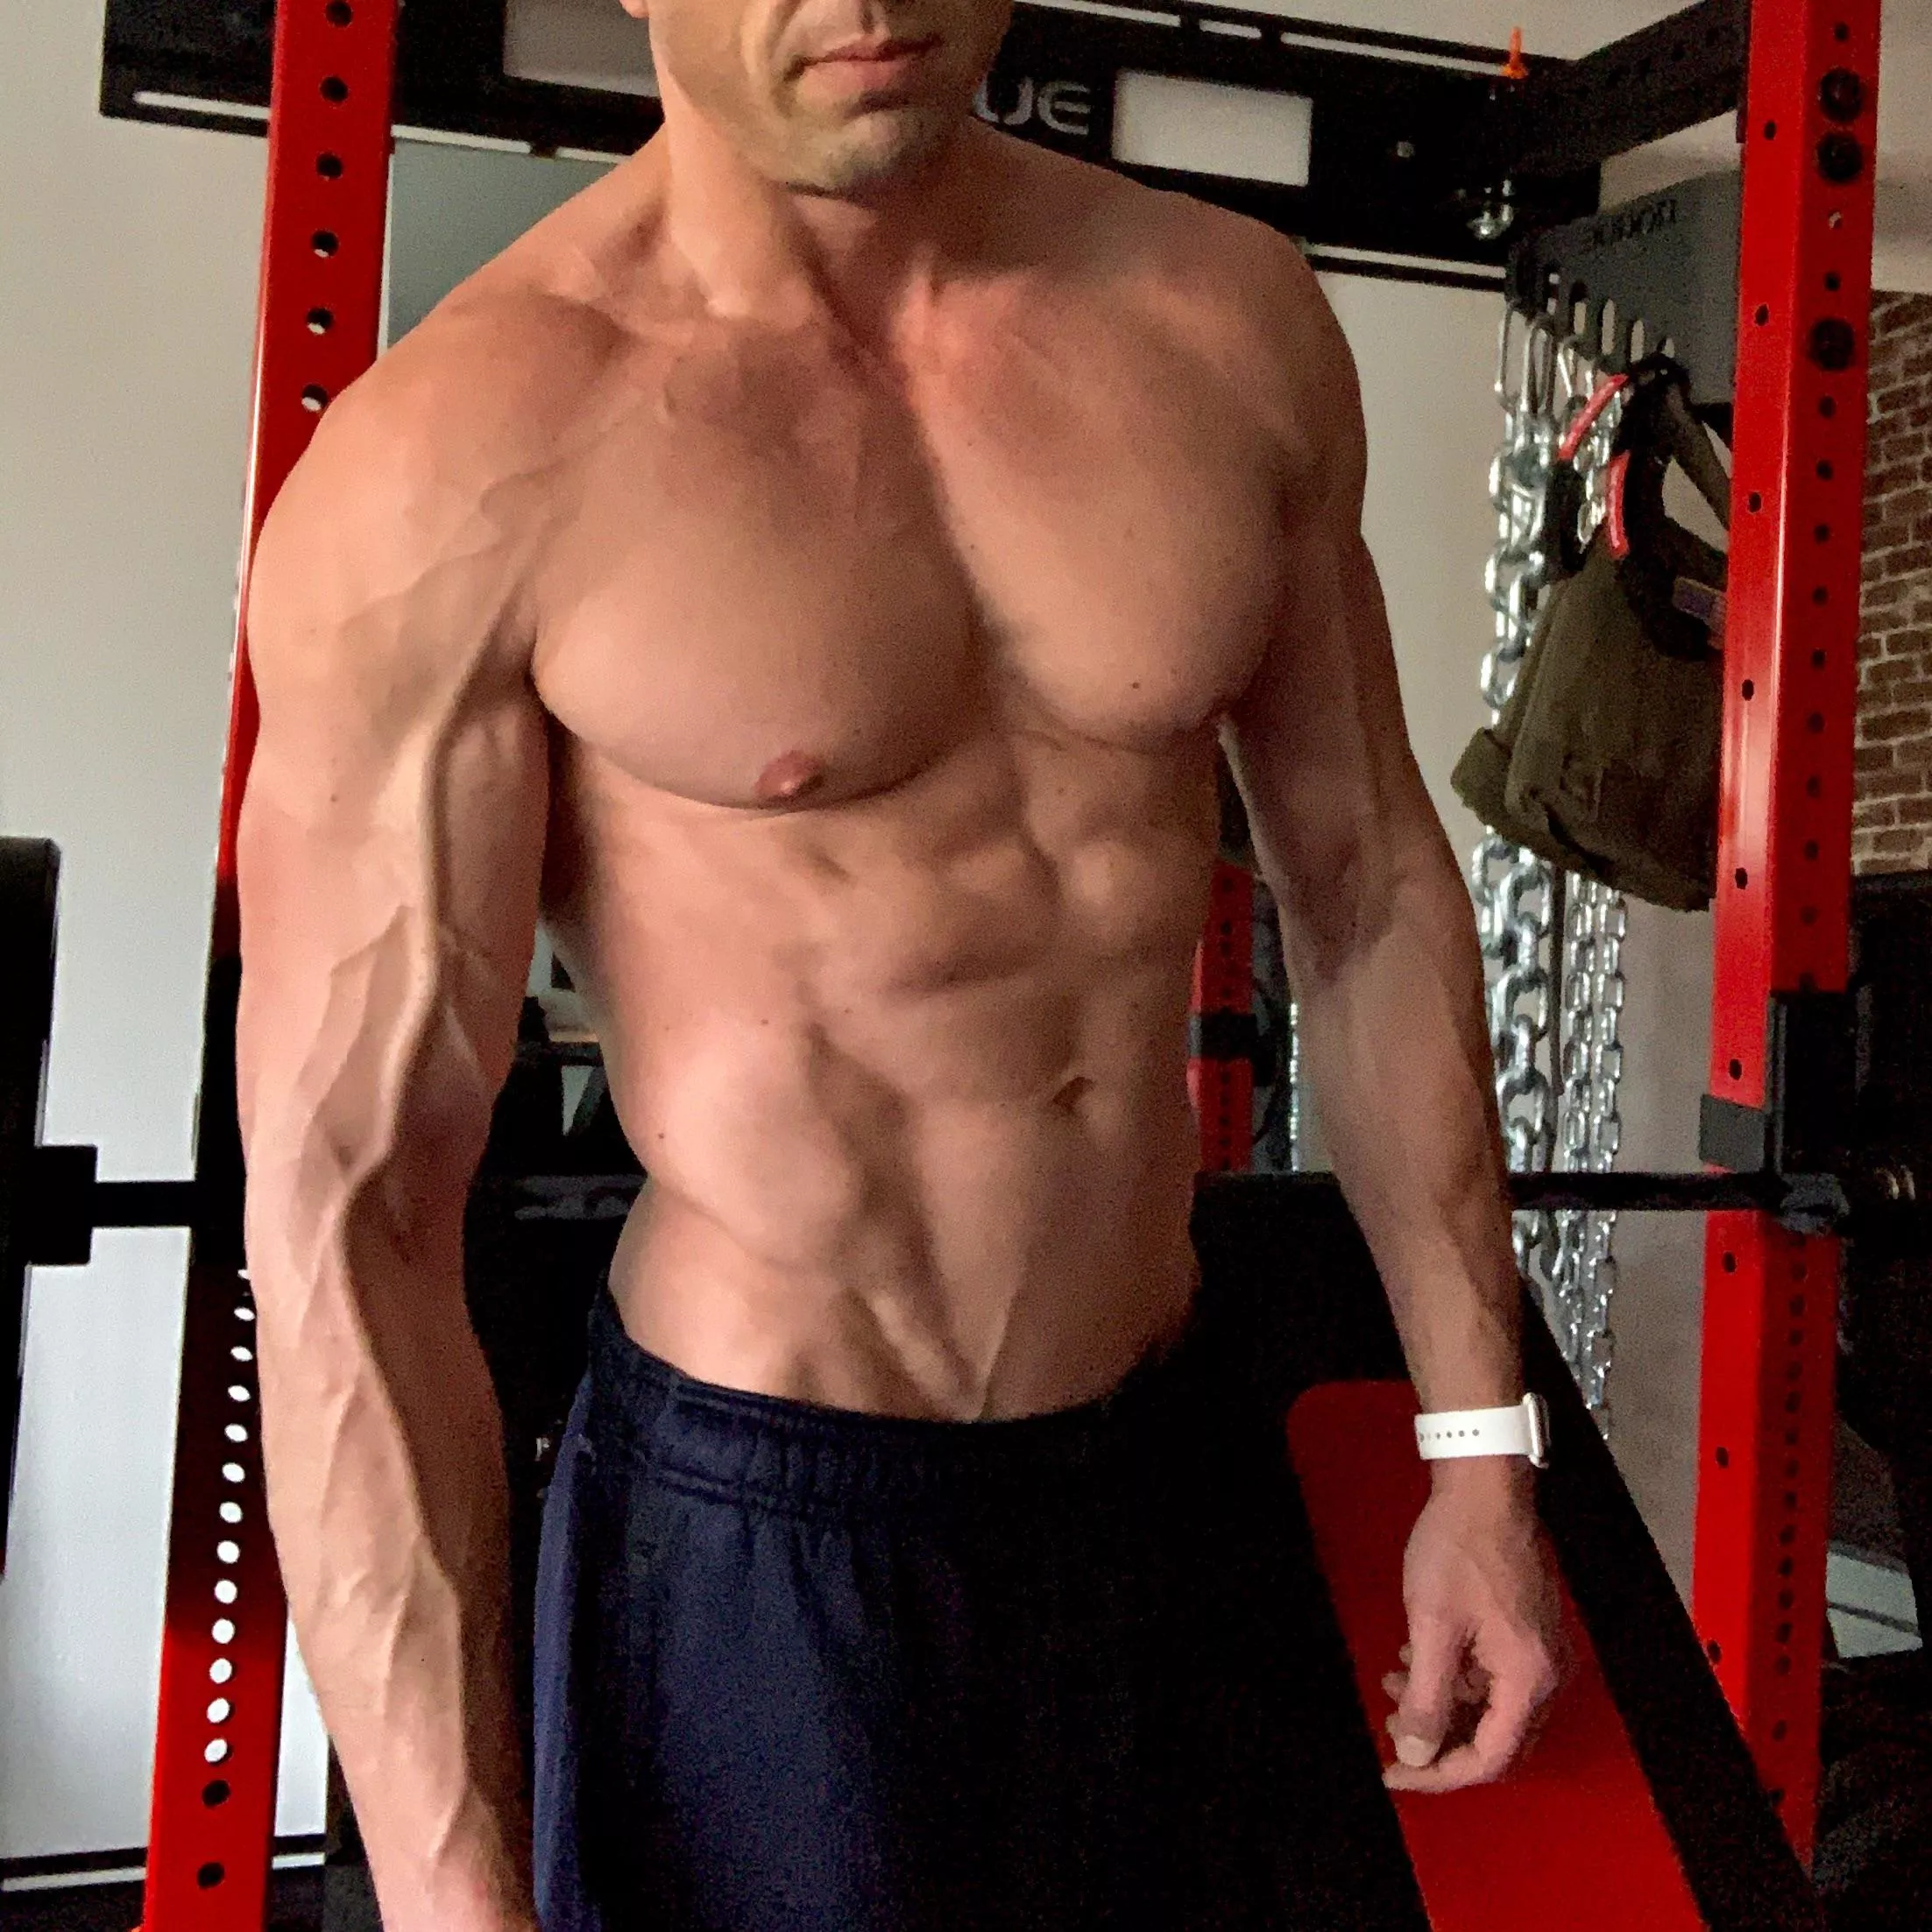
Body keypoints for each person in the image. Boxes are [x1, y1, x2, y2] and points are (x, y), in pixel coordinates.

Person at [234, 0, 1562, 1926]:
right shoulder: (460, 459)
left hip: (1167, 1469)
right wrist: (453, 1900)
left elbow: (1364, 897)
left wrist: (1478, 1447)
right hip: (764, 1536)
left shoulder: (1224, 320)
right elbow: (352, 1215)